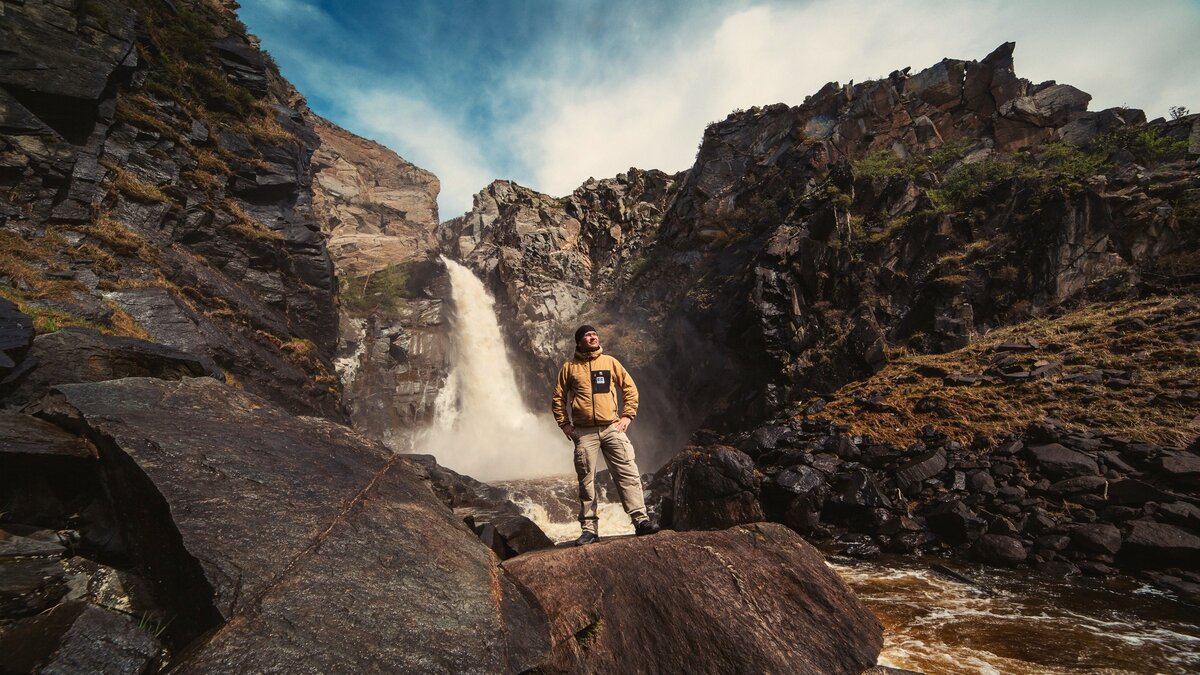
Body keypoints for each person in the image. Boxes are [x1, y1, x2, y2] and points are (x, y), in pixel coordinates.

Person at [552, 324, 659, 545]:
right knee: (586, 481)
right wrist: (565, 425)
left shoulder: (610, 362)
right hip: (584, 432)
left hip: (612, 427)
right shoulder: (569, 367)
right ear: (579, 341)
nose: (592, 337)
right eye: (587, 335)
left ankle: (641, 520)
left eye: (594, 334)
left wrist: (627, 415)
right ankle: (589, 529)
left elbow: (629, 388)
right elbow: (558, 398)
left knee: (628, 472)